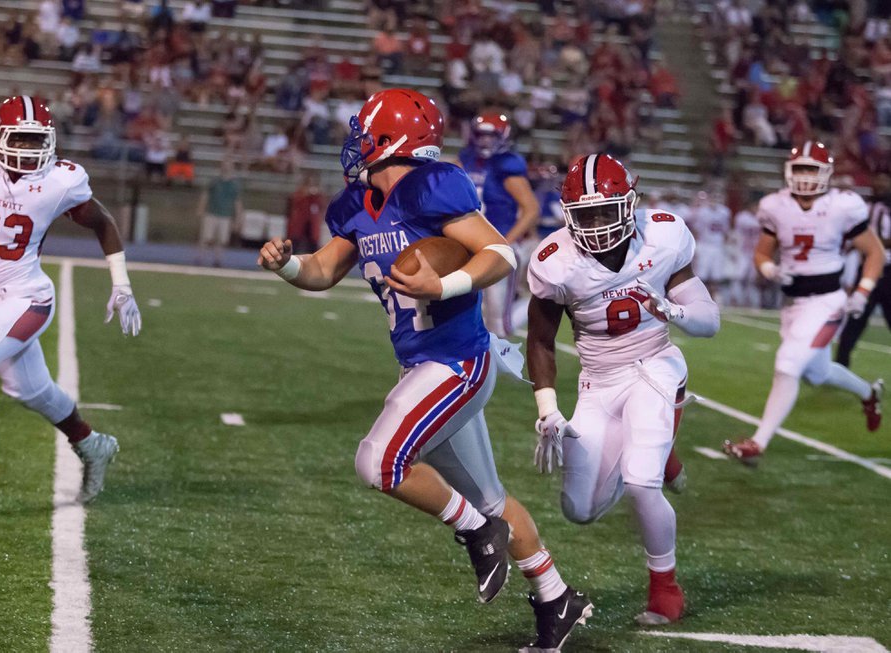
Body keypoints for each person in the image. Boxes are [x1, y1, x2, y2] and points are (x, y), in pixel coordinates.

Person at [258, 88, 592, 652]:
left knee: (378, 461)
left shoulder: (433, 186)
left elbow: (500, 254)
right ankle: (557, 598)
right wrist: (287, 264)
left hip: (458, 361)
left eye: (365, 133)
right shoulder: (353, 205)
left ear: (392, 141)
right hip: (425, 365)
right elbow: (321, 271)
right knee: (490, 498)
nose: (355, 144)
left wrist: (443, 284)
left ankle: (476, 533)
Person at [0, 96, 141, 505]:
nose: (29, 150)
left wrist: (121, 284)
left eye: (37, 142)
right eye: (20, 139)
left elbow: (102, 221)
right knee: (32, 390)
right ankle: (92, 444)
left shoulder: (59, 179)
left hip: (28, 297)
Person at [526, 153, 720, 626]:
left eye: (603, 211)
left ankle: (665, 589)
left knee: (640, 481)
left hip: (655, 364)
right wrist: (548, 408)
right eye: (584, 214)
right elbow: (540, 340)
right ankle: (660, 451)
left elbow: (709, 321)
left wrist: (675, 313)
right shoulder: (557, 262)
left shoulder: (663, 235)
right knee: (579, 510)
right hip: (598, 381)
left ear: (629, 204)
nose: (594, 225)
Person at [723, 142, 884, 466]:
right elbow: (761, 252)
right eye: (800, 169)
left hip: (828, 302)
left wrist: (863, 292)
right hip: (795, 304)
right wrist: (769, 269)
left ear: (826, 173)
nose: (805, 177)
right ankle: (869, 393)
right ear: (788, 170)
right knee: (817, 373)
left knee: (787, 363)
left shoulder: (843, 205)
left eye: (812, 169)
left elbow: (875, 252)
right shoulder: (775, 205)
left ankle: (758, 442)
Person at [458, 112, 539, 338]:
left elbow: (531, 209)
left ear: (502, 136)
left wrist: (506, 241)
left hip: (496, 248)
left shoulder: (507, 164)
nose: (485, 141)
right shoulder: (466, 159)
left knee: (500, 327)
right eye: (481, 135)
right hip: (469, 246)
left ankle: (537, 300)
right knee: (467, 316)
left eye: (490, 136)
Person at [835, 176, 891, 368]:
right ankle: (841, 367)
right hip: (870, 270)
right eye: (878, 183)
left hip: (887, 272)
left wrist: (870, 244)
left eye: (884, 183)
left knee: (856, 320)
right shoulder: (866, 208)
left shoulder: (878, 209)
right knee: (855, 321)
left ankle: (841, 364)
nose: (880, 185)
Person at [196, 158, 243, 267]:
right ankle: (200, 257)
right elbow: (206, 195)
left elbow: (237, 202)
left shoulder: (234, 185)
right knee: (206, 237)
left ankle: (218, 259)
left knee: (221, 239)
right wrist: (201, 208)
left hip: (225, 214)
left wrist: (238, 217)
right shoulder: (214, 181)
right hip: (212, 212)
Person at [286, 173, 326, 254]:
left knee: (312, 247)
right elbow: (293, 207)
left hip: (311, 226)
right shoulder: (298, 195)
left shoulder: (316, 197)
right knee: (295, 245)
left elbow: (321, 207)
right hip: (299, 225)